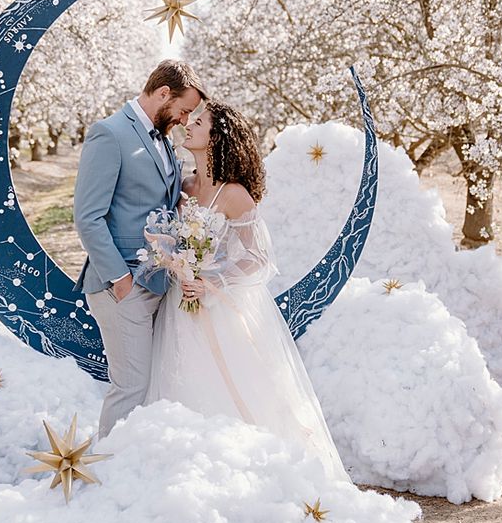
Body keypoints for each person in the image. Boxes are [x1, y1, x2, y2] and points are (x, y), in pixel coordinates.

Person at [145, 100, 351, 483]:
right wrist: (173, 260)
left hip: (218, 306)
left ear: (217, 137)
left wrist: (211, 281)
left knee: (231, 387)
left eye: (199, 121)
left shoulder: (234, 193)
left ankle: (244, 475)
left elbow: (258, 257)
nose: (188, 124)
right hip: (180, 303)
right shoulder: (184, 187)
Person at [73, 60, 206, 438]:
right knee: (130, 386)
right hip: (122, 285)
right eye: (183, 110)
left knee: (150, 387)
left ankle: (132, 471)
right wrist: (120, 279)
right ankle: (107, 473)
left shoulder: (163, 139)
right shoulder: (109, 134)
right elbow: (88, 217)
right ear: (164, 94)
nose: (183, 120)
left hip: (159, 281)